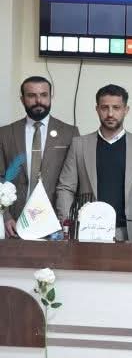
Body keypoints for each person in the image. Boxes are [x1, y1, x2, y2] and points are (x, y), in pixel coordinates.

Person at [55, 85, 132, 241]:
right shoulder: (79, 145)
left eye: (116, 108)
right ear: (97, 109)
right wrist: (68, 224)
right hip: (88, 232)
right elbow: (65, 188)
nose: (110, 114)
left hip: (130, 233)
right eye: (105, 108)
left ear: (126, 110)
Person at [0, 76, 79, 238]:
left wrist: (66, 220)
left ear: (51, 96)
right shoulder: (5, 133)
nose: (38, 101)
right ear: (22, 99)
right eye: (31, 96)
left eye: (44, 95)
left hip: (55, 223)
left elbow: (74, 181)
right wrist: (5, 216)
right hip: (14, 223)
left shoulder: (70, 133)